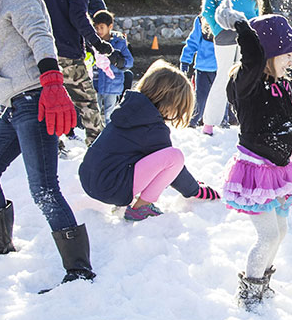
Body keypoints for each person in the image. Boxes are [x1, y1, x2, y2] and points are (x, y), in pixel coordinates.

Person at [0, 0, 94, 287]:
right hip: (14, 106)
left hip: (35, 100)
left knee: (44, 189)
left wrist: (52, 83)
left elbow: (41, 37)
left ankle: (79, 270)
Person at [216, 6, 292, 311]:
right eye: (287, 55)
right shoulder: (248, 84)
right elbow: (253, 57)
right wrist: (242, 27)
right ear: (267, 54)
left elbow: (288, 125)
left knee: (281, 232)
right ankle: (249, 294)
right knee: (267, 236)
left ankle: (263, 283)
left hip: (279, 169)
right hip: (255, 172)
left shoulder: (280, 84)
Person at [79, 61, 219, 221]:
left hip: (89, 178)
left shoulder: (128, 111)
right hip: (110, 188)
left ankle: (126, 197)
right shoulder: (152, 128)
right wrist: (196, 190)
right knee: (174, 157)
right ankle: (141, 207)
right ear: (171, 102)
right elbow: (175, 170)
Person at [36, 0, 111, 146]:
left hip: (46, 57)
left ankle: (53, 146)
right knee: (88, 103)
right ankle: (97, 147)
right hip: (69, 56)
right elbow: (79, 18)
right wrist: (97, 43)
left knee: (50, 104)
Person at [199, 0, 263, 135]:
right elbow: (256, 12)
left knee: (222, 77)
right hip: (248, 33)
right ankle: (246, 120)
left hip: (225, 35)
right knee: (246, 76)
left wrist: (217, 29)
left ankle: (209, 124)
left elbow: (207, 12)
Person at [180, 15, 225, 127]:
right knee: (205, 97)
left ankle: (221, 121)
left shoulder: (223, 18)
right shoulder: (202, 20)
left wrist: (185, 60)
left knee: (216, 97)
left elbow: (192, 42)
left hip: (216, 67)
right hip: (207, 68)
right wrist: (185, 60)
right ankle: (194, 121)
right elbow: (193, 42)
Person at [90, 10, 133, 124]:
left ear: (110, 27)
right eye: (96, 27)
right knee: (95, 113)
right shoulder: (92, 42)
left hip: (113, 85)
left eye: (101, 27)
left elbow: (129, 62)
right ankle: (97, 133)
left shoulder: (119, 43)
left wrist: (119, 61)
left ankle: (110, 133)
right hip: (95, 83)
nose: (98, 31)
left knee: (110, 114)